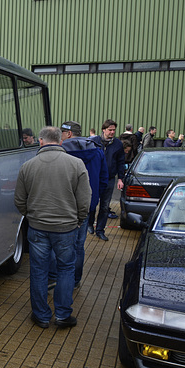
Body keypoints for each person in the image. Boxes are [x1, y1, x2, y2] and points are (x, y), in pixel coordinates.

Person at [14, 126, 90, 329]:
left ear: (40, 141)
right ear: (61, 141)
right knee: (66, 268)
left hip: (38, 227)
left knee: (39, 270)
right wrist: (79, 220)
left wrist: (31, 216)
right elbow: (85, 199)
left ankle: (41, 316)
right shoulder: (76, 164)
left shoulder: (28, 166)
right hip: (66, 228)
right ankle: (64, 315)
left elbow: (19, 200)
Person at [49, 121, 108, 289]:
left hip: (61, 205)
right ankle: (75, 280)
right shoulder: (97, 151)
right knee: (78, 245)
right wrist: (93, 197)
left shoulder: (59, 151)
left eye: (62, 132)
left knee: (56, 243)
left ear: (68, 134)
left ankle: (54, 277)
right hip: (86, 205)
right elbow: (103, 179)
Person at [89, 119, 126, 240]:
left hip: (109, 179)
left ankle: (100, 230)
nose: (112, 132)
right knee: (92, 203)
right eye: (110, 130)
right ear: (103, 130)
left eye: (114, 130)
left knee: (105, 206)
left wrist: (120, 178)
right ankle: (90, 224)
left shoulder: (118, 144)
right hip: (94, 178)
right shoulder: (93, 142)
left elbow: (121, 162)